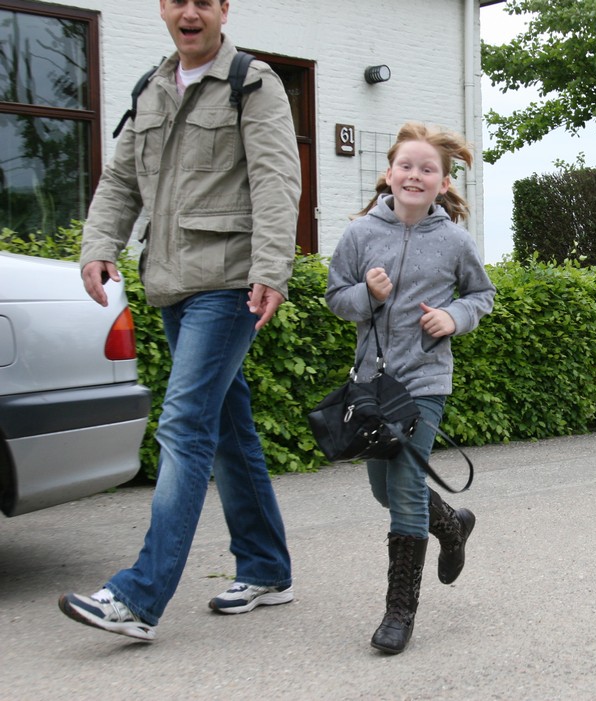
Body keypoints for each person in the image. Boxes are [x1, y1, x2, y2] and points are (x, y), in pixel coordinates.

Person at [58, 0, 300, 641]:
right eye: (178, 1)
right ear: (164, 9)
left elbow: (277, 179)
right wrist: (99, 244)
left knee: (185, 425)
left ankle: (138, 596)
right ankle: (267, 567)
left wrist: (271, 269)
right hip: (170, 283)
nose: (190, 13)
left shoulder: (252, 82)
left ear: (223, 10)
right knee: (227, 429)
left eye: (204, 1)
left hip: (229, 283)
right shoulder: (152, 87)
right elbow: (120, 180)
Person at [325, 122, 495, 654]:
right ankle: (451, 524)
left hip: (424, 381)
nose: (415, 175)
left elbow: (482, 296)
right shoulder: (360, 235)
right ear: (389, 173)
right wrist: (367, 295)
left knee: (402, 488)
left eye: (427, 169)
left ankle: (399, 613)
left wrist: (453, 317)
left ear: (443, 182)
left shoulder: (454, 241)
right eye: (406, 166)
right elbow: (336, 298)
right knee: (384, 488)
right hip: (371, 385)